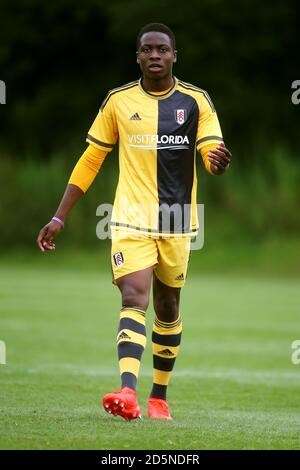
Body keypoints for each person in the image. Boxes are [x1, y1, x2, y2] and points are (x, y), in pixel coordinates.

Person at [37, 23, 232, 421]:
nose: (156, 56)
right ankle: (128, 391)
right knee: (133, 297)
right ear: (138, 57)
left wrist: (216, 163)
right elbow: (92, 159)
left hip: (177, 222)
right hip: (129, 219)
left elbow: (212, 151)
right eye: (148, 50)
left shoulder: (196, 101)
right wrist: (60, 216)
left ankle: (159, 395)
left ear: (175, 55)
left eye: (163, 49)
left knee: (168, 307)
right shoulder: (118, 101)